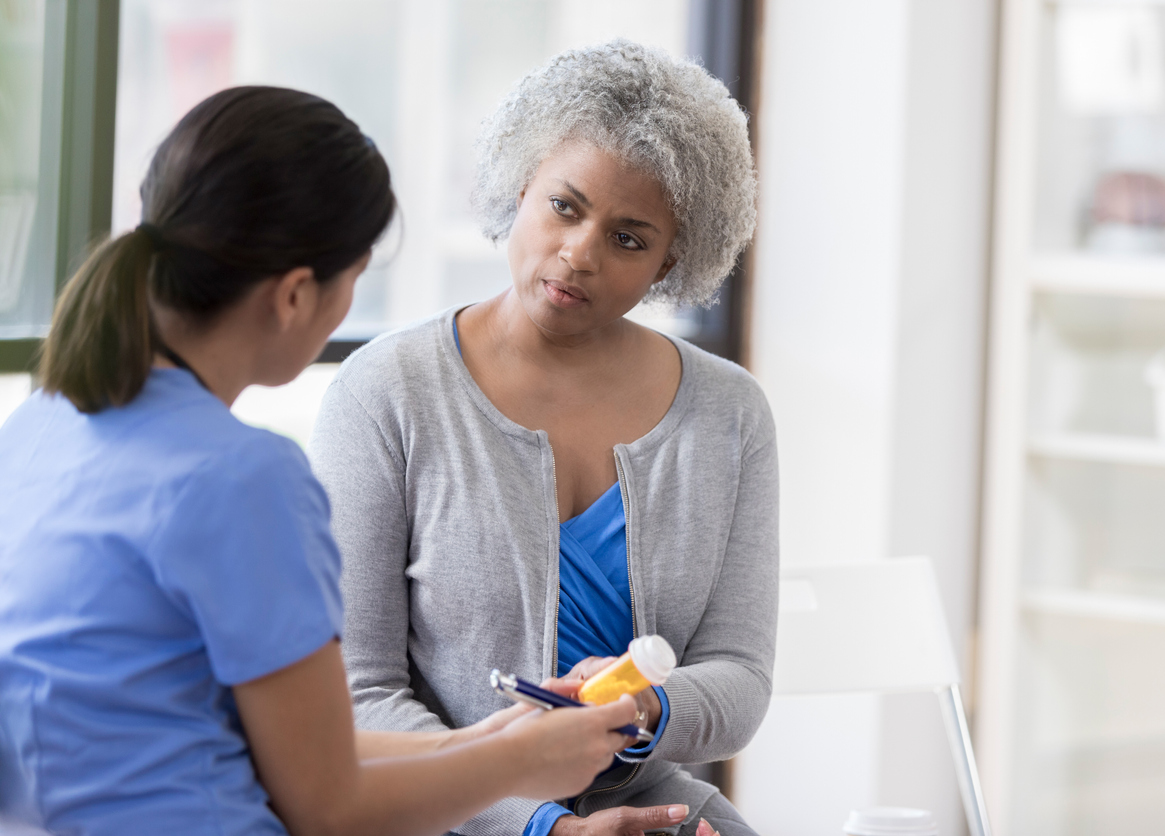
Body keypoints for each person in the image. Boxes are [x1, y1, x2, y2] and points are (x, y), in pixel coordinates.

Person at [0, 86, 649, 836]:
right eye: (354, 280)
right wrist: (523, 768)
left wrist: (495, 741)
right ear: (295, 295)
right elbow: (328, 806)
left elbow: (277, 753)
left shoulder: (43, 424)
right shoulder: (243, 478)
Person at [308, 40, 776, 836]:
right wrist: (538, 826)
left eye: (629, 238)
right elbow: (356, 697)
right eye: (565, 206)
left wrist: (649, 705)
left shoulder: (729, 413)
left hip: (651, 810)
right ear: (521, 186)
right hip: (439, 811)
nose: (579, 253)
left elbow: (739, 678)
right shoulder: (385, 392)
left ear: (672, 261)